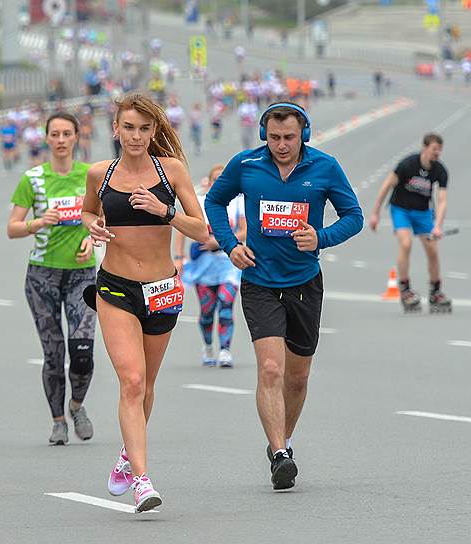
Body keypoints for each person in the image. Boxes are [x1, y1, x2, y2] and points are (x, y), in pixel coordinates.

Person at [205, 102, 363, 491]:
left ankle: (284, 441)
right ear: (264, 135)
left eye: (289, 137)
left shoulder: (325, 167)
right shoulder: (246, 165)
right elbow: (214, 201)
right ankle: (279, 455)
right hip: (259, 280)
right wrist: (230, 245)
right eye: (274, 137)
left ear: (304, 134)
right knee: (271, 369)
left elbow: (353, 216)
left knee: (298, 375)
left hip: (305, 282)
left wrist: (320, 238)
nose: (281, 145)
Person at [80, 92, 208, 512]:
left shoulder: (171, 172)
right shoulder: (100, 173)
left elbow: (202, 231)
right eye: (128, 127)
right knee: (132, 381)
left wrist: (164, 210)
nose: (135, 136)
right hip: (115, 287)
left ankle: (125, 455)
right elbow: (87, 212)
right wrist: (94, 227)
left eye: (144, 128)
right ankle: (142, 480)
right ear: (115, 129)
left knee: (147, 385)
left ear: (154, 132)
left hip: (161, 288)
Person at [7, 112, 97, 445]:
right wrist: (38, 222)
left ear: (77, 137)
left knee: (83, 350)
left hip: (83, 274)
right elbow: (12, 228)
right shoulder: (32, 179)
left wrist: (93, 238)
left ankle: (77, 405)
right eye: (54, 134)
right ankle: (58, 421)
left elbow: (104, 217)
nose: (60, 140)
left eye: (66, 134)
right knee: (54, 352)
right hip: (42, 276)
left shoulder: (91, 175)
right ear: (46, 139)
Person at [367, 133, 451, 312]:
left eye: (439, 150)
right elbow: (387, 185)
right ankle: (405, 288)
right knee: (405, 243)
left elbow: (442, 199)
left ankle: (435, 291)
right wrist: (375, 213)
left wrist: (438, 226)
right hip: (401, 209)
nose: (437, 153)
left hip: (423, 212)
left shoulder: (439, 170)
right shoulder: (408, 164)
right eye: (434, 149)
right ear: (425, 147)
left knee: (432, 250)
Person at [174, 164, 246, 368]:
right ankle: (208, 347)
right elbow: (181, 230)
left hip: (229, 265)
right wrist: (179, 257)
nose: (218, 183)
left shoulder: (237, 203)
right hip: (203, 268)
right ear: (209, 182)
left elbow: (244, 232)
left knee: (225, 305)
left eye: (222, 179)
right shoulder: (199, 203)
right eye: (215, 179)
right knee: (207, 313)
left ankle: (225, 350)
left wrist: (222, 241)